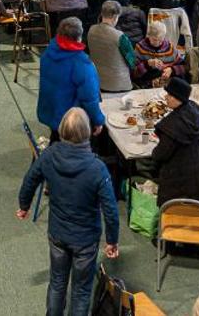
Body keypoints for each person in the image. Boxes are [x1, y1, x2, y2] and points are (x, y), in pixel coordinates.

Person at [15, 106, 119, 316]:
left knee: (57, 282)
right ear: (87, 132)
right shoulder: (97, 168)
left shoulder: (49, 155)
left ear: (62, 130)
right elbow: (110, 209)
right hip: (86, 239)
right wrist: (112, 240)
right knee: (81, 291)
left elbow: (30, 179)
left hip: (58, 234)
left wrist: (24, 205)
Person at [152, 76, 199, 204]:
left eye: (169, 95)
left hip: (177, 182)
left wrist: (154, 155)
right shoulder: (195, 109)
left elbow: (161, 154)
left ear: (175, 97)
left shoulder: (174, 125)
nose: (166, 97)